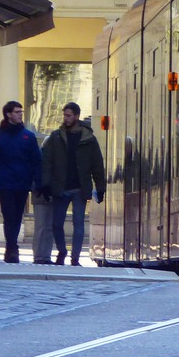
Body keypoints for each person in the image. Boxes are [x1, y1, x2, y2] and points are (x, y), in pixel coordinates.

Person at [41, 102, 106, 266]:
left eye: (69, 115)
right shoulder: (56, 137)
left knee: (78, 224)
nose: (66, 118)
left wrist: (100, 188)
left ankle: (75, 257)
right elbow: (47, 162)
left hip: (79, 188)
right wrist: (46, 184)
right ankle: (62, 251)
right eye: (64, 115)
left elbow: (97, 165)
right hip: (60, 187)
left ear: (76, 116)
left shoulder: (89, 139)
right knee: (57, 223)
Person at [0, 100, 42, 264]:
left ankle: (11, 247)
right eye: (17, 112)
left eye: (21, 112)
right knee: (9, 216)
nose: (20, 114)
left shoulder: (28, 136)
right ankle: (12, 247)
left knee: (17, 217)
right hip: (5, 184)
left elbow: (36, 161)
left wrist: (37, 182)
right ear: (8, 114)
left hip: (22, 184)